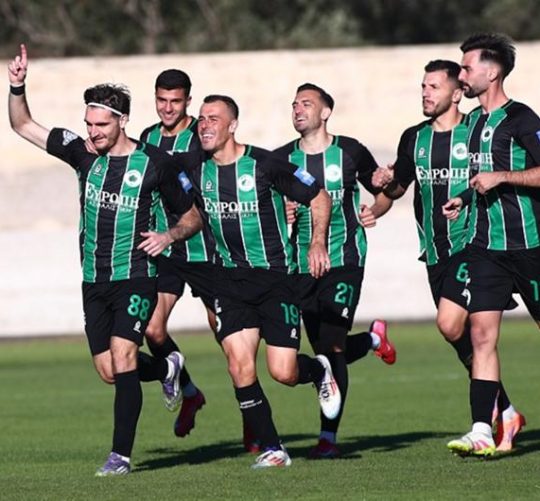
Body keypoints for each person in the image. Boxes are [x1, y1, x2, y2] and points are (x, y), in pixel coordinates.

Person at [7, 44, 202, 476]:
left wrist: (168, 236)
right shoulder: (82, 153)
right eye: (89, 124)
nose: (92, 132)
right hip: (93, 280)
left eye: (101, 125)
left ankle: (120, 457)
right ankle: (167, 366)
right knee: (110, 370)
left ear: (122, 120)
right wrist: (17, 85)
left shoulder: (156, 164)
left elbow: (192, 216)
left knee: (124, 355)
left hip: (136, 276)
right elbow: (22, 124)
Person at [144, 94, 341, 468]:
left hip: (275, 280)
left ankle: (318, 370)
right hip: (229, 282)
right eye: (202, 119)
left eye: (214, 119)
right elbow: (149, 160)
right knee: (239, 366)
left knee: (283, 371)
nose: (205, 125)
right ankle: (273, 448)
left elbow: (319, 197)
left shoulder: (265, 164)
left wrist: (317, 243)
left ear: (232, 125)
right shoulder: (192, 166)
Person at [373, 59, 523, 454]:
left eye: (434, 87)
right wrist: (375, 204)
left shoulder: (476, 130)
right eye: (423, 86)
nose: (425, 93)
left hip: (473, 245)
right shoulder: (414, 138)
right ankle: (506, 409)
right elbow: (398, 186)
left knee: (452, 322)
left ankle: (486, 422)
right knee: (456, 332)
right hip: (435, 252)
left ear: (457, 93)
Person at [274, 83, 396, 459]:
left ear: (326, 112)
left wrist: (375, 210)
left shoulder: (350, 151)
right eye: (294, 104)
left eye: (306, 104)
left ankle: (328, 437)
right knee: (324, 354)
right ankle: (372, 341)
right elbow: (268, 207)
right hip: (299, 265)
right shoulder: (281, 159)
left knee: (332, 345)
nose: (298, 110)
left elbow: (384, 191)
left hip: (345, 259)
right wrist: (284, 210)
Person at [442, 33, 539, 456]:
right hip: (484, 247)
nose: (461, 75)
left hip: (529, 245)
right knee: (481, 334)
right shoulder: (473, 124)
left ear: (492, 71)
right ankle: (482, 429)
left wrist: (503, 177)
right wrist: (464, 197)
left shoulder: (521, 118)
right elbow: (482, 177)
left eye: (467, 68)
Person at [139, 69, 211, 438]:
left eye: (175, 101)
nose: (167, 108)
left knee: (233, 346)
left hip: (206, 249)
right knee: (153, 329)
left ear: (188, 101)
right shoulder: (147, 137)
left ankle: (257, 429)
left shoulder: (203, 133)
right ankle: (190, 393)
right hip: (166, 248)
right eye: (161, 100)